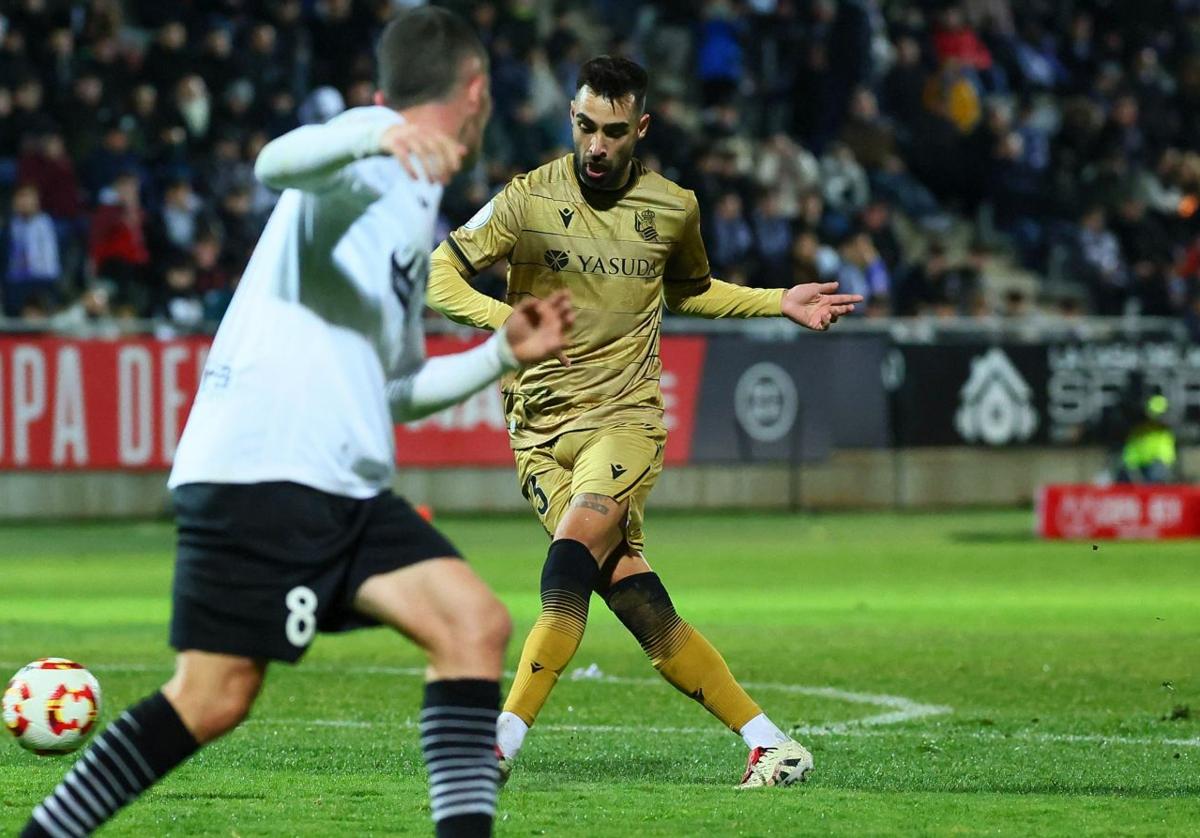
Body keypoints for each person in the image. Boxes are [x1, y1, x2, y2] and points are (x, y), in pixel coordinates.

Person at [19, 9, 573, 838]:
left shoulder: (411, 205)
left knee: (471, 624)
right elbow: (276, 160)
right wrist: (367, 138)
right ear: (477, 90)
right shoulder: (373, 144)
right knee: (210, 697)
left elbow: (394, 390)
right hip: (266, 472)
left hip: (335, 481)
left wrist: (501, 351)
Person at [426, 55, 861, 789]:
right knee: (635, 600)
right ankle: (769, 742)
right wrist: (510, 326)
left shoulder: (673, 207)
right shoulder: (526, 199)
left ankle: (499, 743)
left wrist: (775, 300)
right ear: (573, 118)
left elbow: (692, 290)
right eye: (586, 127)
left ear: (642, 128)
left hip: (623, 422)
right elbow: (441, 271)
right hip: (536, 430)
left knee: (568, 560)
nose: (597, 145)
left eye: (614, 131)